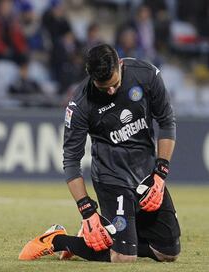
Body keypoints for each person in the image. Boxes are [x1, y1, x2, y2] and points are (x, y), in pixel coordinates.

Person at [18, 44, 180, 263]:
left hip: (147, 175)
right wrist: (87, 210)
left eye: (114, 84)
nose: (111, 91)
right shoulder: (80, 103)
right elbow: (71, 160)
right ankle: (57, 240)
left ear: (120, 64)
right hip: (112, 178)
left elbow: (167, 121)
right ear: (91, 77)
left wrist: (160, 174)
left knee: (168, 252)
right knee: (124, 258)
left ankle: (115, 236)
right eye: (104, 87)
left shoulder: (147, 75)